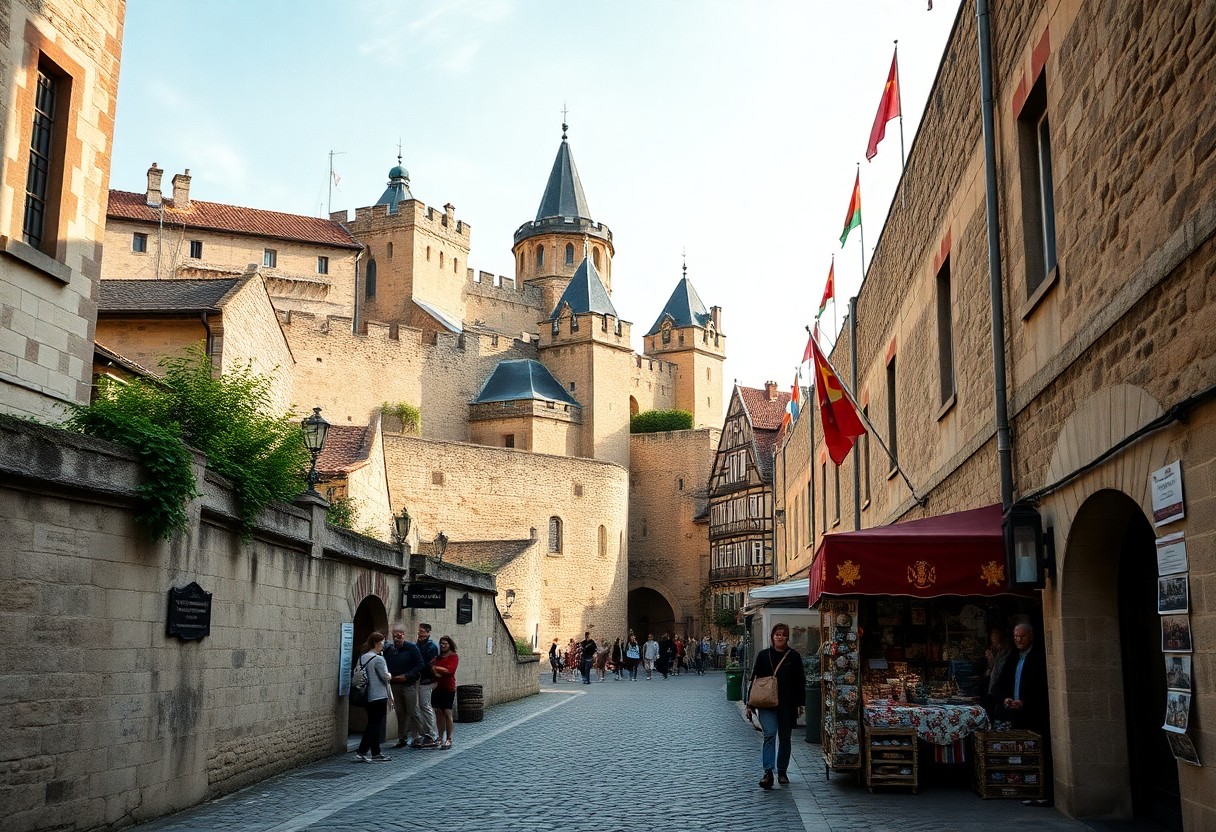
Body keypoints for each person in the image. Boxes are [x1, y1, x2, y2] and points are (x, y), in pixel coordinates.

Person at [997, 621, 1053, 807]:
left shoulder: (1038, 657)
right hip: (1016, 713)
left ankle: (1042, 791)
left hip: (1035, 714)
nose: (1018, 640)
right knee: (1021, 751)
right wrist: (1006, 698)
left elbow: (1042, 686)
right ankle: (1024, 788)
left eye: (1022, 637)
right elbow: (1002, 682)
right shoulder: (1014, 656)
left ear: (1031, 637)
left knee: (1038, 752)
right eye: (1016, 637)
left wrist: (1025, 702)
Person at [744, 622, 806, 789]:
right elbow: (755, 679)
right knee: (769, 735)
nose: (780, 637)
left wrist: (800, 704)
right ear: (772, 636)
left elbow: (800, 680)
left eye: (783, 634)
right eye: (777, 634)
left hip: (787, 704)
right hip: (767, 703)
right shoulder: (764, 655)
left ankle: (782, 771)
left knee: (785, 738)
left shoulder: (794, 656)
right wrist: (749, 704)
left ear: (787, 637)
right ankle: (768, 772)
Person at [354, 631, 395, 762]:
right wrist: (389, 675)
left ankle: (376, 753)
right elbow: (385, 677)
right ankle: (362, 751)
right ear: (376, 643)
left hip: (366, 695)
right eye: (382, 641)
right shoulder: (378, 659)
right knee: (374, 724)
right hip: (378, 695)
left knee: (373, 723)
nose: (384, 644)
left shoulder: (362, 657)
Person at [384, 625, 423, 749]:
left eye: (400, 634)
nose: (397, 636)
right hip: (395, 684)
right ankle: (402, 738)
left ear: (404, 634)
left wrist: (407, 675)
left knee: (413, 711)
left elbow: (420, 664)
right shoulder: (389, 649)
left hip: (408, 684)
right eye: (395, 634)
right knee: (400, 713)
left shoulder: (411, 647)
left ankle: (420, 736)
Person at [410, 622, 440, 749]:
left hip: (426, 680)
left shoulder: (431, 647)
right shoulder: (418, 644)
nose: (419, 633)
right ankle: (419, 734)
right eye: (419, 631)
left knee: (425, 706)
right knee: (416, 706)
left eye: (422, 631)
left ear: (428, 632)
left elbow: (430, 665)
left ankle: (432, 735)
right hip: (418, 678)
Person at [429, 635, 459, 750]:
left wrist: (436, 668)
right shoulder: (438, 657)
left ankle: (449, 738)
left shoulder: (453, 656)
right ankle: (440, 736)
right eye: (441, 643)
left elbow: (449, 671)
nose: (442, 645)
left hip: (448, 688)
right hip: (437, 688)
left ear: (449, 644)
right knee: (438, 712)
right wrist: (436, 671)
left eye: (445, 643)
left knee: (447, 712)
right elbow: (431, 669)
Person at [983, 628, 1012, 718]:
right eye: (993, 637)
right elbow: (993, 669)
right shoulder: (996, 652)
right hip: (993, 686)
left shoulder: (1007, 653)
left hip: (1001, 686)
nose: (994, 644)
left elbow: (999, 670)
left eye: (996, 638)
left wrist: (991, 660)